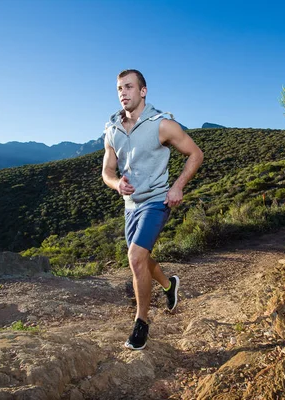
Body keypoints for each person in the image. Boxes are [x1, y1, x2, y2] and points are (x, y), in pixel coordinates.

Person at [102, 69, 204, 350]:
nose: (123, 92)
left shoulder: (163, 125)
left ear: (143, 91)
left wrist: (178, 186)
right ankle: (169, 286)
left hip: (157, 200)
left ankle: (141, 322)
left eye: (129, 87)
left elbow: (196, 154)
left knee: (135, 257)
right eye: (119, 88)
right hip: (130, 206)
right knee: (143, 259)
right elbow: (107, 171)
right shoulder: (112, 130)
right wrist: (116, 184)